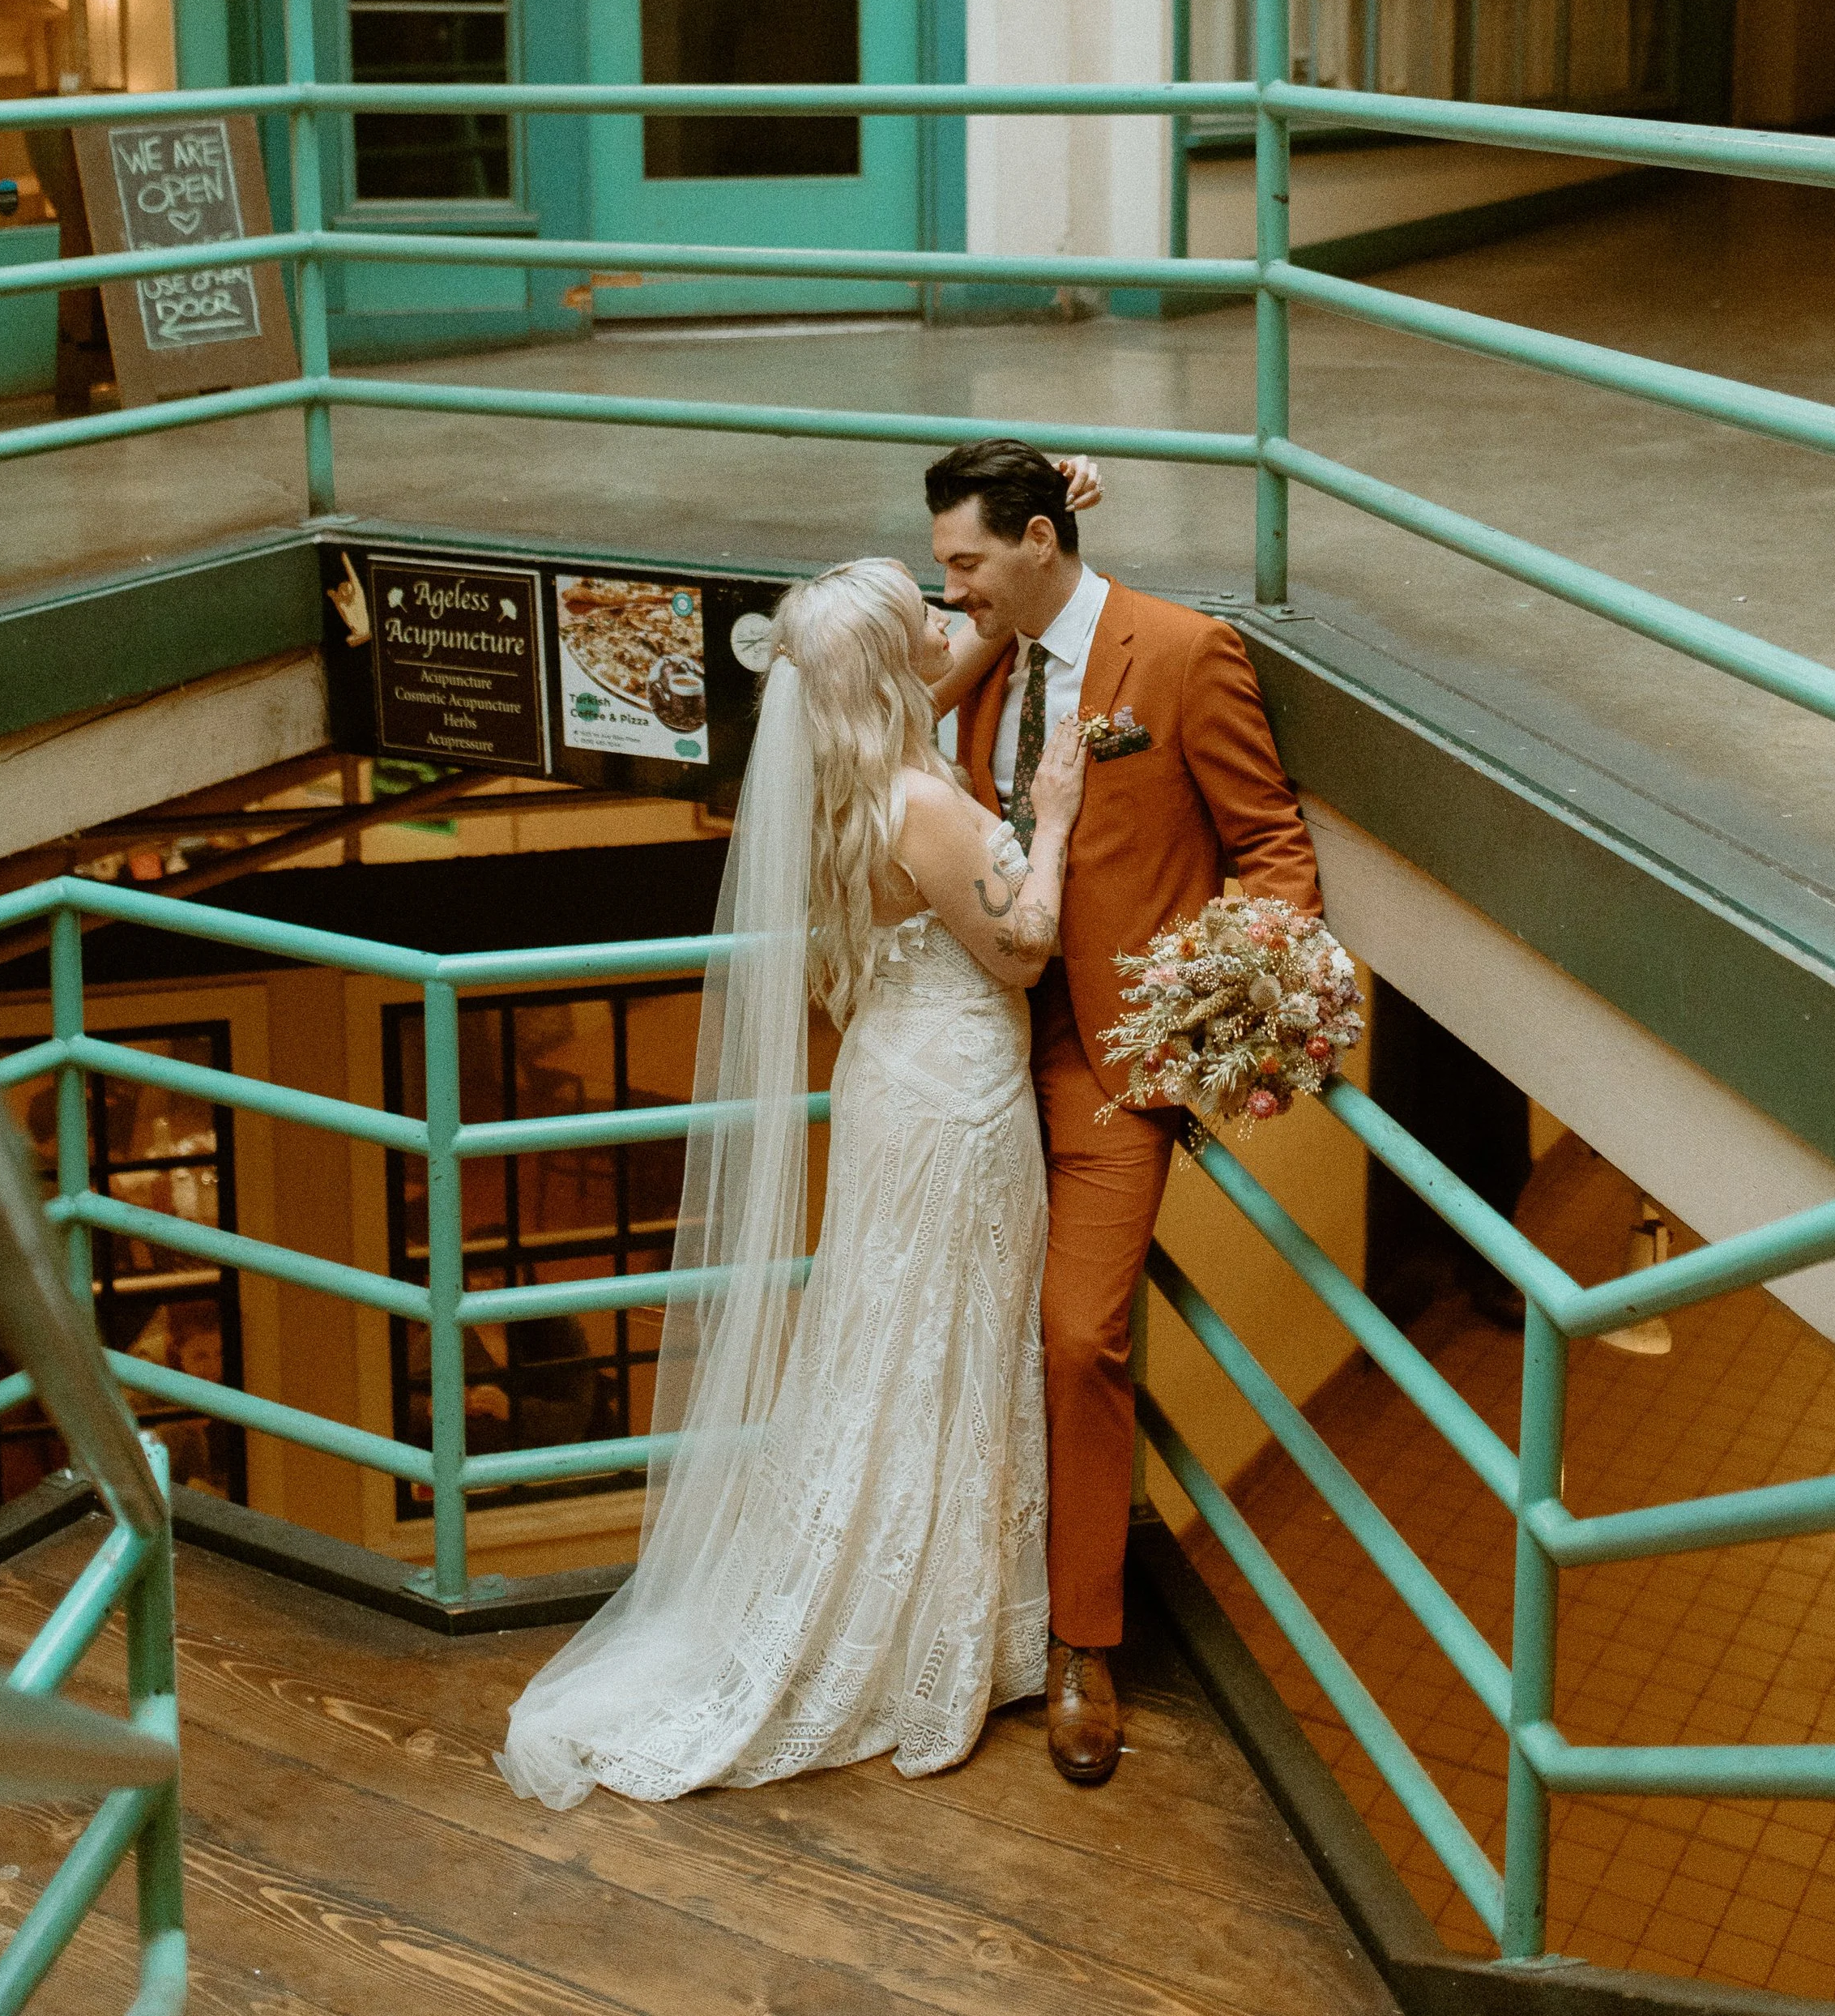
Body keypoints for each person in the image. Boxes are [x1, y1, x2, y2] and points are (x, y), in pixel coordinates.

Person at [499, 555, 1088, 1805]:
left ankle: (917, 1601)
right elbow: (1027, 951)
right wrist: (1056, 811)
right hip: (961, 1097)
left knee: (888, 1342)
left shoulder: (849, 773)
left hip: (890, 1081)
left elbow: (944, 660)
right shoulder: (928, 807)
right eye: (923, 613)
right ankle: (938, 1634)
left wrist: (1023, 574)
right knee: (950, 1344)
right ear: (887, 669)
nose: (949, 615)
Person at [925, 439, 1321, 1787]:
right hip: (974, 1035)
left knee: (1077, 1330)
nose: (952, 589)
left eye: (969, 563)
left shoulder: (1182, 652)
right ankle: (958, 1595)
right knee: (949, 1318)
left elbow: (1269, 846)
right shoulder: (985, 656)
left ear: (1041, 542)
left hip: (1108, 1065)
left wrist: (1226, 1013)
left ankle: (1084, 1643)